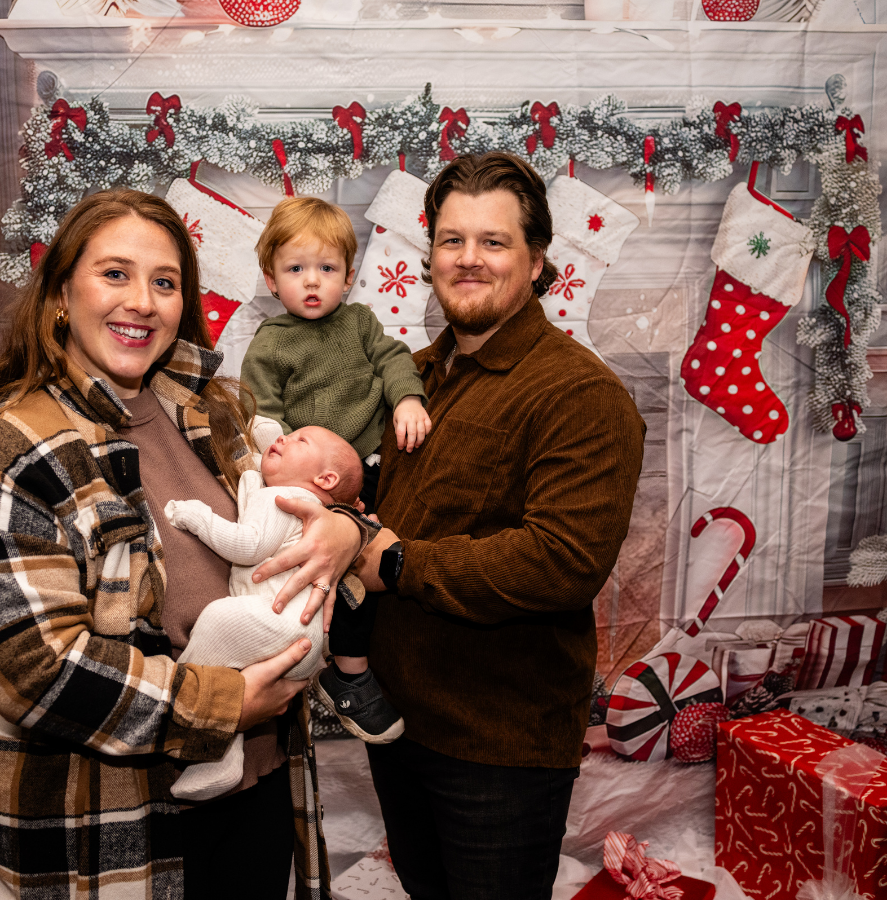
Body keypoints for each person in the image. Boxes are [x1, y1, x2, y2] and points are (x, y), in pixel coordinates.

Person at [0, 189, 366, 900]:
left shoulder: (207, 410)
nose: (142, 301)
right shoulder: (7, 448)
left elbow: (320, 481)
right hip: (107, 822)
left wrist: (346, 528)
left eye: (164, 282)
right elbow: (36, 669)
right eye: (115, 273)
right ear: (62, 292)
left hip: (256, 788)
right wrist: (221, 702)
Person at [260, 152, 646, 898]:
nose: (469, 260)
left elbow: (560, 562)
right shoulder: (417, 373)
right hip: (401, 726)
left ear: (537, 262)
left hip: (498, 746)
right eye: (451, 240)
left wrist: (389, 560)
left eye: (493, 243)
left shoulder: (580, 394)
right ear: (430, 254)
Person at [241, 195, 428, 743]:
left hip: (372, 468)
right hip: (313, 485)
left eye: (326, 269)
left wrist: (408, 399)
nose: (312, 282)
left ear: (349, 277)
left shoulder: (361, 323)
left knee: (389, 559)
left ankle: (386, 661)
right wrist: (272, 475)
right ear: (272, 281)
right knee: (336, 576)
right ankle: (348, 673)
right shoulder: (271, 343)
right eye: (295, 269)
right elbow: (262, 418)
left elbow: (396, 360)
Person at [166, 425, 365, 801]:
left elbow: (248, 546)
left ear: (325, 478)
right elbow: (264, 439)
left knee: (216, 623)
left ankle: (192, 726)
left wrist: (196, 516)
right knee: (233, 679)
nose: (284, 440)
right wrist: (278, 438)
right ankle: (221, 756)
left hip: (287, 625)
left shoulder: (286, 496)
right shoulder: (287, 489)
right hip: (296, 631)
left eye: (299, 440)